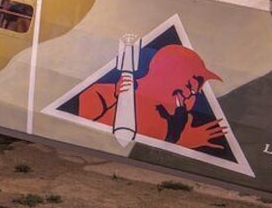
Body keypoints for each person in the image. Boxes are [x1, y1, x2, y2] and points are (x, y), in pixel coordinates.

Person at [77, 44, 227, 150]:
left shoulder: (179, 119)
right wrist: (117, 97)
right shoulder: (101, 94)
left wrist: (183, 141)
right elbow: (82, 129)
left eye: (195, 91)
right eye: (189, 86)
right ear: (165, 74)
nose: (190, 95)